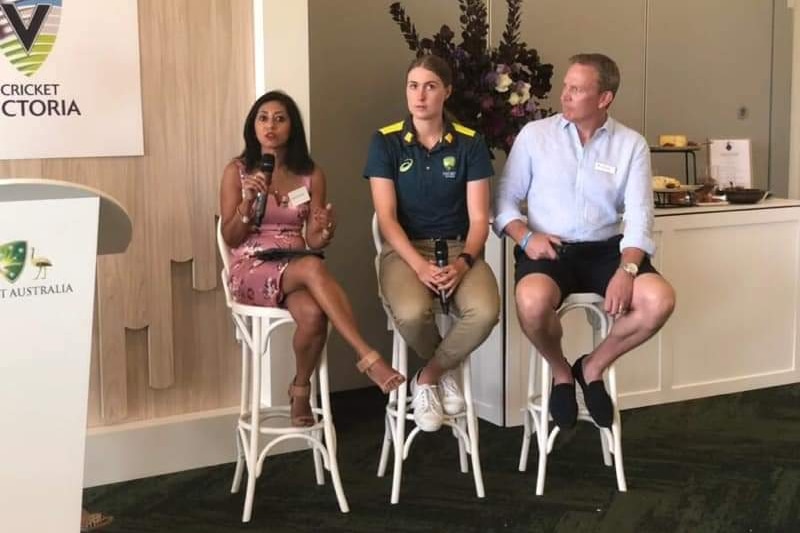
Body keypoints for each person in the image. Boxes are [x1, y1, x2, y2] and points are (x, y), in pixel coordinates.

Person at [493, 53, 675, 429]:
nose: (565, 95)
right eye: (566, 87)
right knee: (531, 303)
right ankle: (562, 373)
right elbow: (504, 203)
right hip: (548, 248)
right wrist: (526, 237)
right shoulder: (535, 136)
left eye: (577, 89)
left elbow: (640, 216)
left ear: (604, 98)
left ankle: (591, 366)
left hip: (608, 251)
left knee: (659, 300)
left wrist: (628, 269)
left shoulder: (631, 145)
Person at [220, 91, 404, 426]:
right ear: (253, 126)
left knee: (314, 314)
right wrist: (247, 204)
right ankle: (367, 356)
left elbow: (314, 239)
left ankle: (300, 388)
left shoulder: (311, 175)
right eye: (263, 118)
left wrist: (324, 230)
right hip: (251, 265)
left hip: (295, 263)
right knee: (312, 266)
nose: (270, 125)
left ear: (292, 127)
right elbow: (230, 237)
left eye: (279, 118)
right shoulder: (238, 171)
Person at [364, 55, 500, 432]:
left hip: (459, 249)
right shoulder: (386, 141)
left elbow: (478, 219)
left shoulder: (470, 143)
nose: (420, 96)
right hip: (405, 252)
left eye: (430, 86)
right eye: (413, 86)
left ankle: (430, 375)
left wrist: (462, 264)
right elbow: (387, 220)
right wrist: (420, 266)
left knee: (486, 311)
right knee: (409, 313)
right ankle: (446, 370)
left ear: (447, 92)